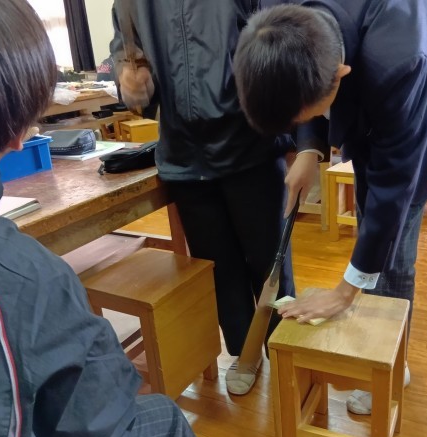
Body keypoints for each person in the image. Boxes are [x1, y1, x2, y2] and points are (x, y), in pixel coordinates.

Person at [0, 1, 221, 437]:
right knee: (164, 425)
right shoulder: (16, 275)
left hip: (226, 151)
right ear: (14, 134)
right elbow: (95, 431)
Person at [234, 1, 427, 415]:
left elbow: (394, 181)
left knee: (394, 232)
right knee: (370, 216)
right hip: (365, 71)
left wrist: (345, 292)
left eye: (310, 115)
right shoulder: (283, 15)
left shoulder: (399, 60)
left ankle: (393, 365)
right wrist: (308, 149)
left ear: (340, 75)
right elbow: (302, 71)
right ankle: (377, 328)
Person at [110, 0, 296, 396]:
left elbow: (280, 41)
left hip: (251, 147)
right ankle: (244, 352)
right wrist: (130, 82)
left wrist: (297, 138)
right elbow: (127, 51)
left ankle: (284, 350)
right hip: (185, 157)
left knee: (270, 263)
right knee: (217, 266)